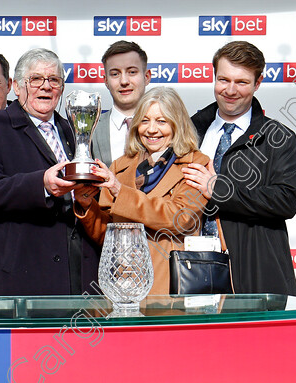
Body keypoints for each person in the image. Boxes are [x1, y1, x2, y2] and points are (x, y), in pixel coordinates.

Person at [0, 48, 100, 295]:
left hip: (80, 274)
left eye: (54, 80)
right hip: (24, 276)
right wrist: (42, 185)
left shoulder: (75, 129)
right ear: (16, 87)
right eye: (36, 79)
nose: (46, 86)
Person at [184, 41, 296, 296]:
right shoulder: (187, 131)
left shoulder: (278, 137)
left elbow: (286, 200)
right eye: (223, 79)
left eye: (241, 82)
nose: (230, 90)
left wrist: (219, 190)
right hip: (190, 269)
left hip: (254, 272)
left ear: (258, 83)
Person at [75, 87, 211, 295]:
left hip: (170, 286)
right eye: (145, 120)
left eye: (162, 121)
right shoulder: (119, 167)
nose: (151, 129)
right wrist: (87, 206)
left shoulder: (196, 164)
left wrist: (121, 192)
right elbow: (106, 236)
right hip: (123, 287)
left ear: (177, 125)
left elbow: (179, 217)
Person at [91, 41, 151, 167]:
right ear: (106, 81)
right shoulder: (90, 129)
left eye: (132, 72)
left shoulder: (168, 127)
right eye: (115, 74)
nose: (124, 81)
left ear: (146, 77)